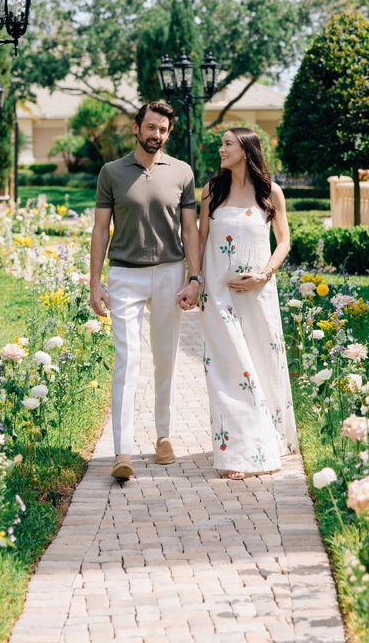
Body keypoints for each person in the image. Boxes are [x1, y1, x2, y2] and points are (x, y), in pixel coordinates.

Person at [90, 101, 202, 481]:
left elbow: (190, 231)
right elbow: (100, 230)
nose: (157, 135)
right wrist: (95, 283)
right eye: (151, 127)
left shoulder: (182, 173)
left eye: (163, 130)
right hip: (125, 276)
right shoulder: (112, 173)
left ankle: (163, 436)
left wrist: (195, 277)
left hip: (171, 274)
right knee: (128, 361)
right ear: (136, 128)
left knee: (165, 358)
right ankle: (122, 451)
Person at [198, 127, 298, 480]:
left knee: (262, 365)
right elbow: (199, 239)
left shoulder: (271, 193)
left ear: (246, 149)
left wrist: (265, 275)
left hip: (259, 296)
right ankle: (240, 454)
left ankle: (268, 436)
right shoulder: (212, 190)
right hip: (219, 295)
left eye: (227, 144)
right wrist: (195, 280)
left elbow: (284, 241)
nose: (221, 149)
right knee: (230, 370)